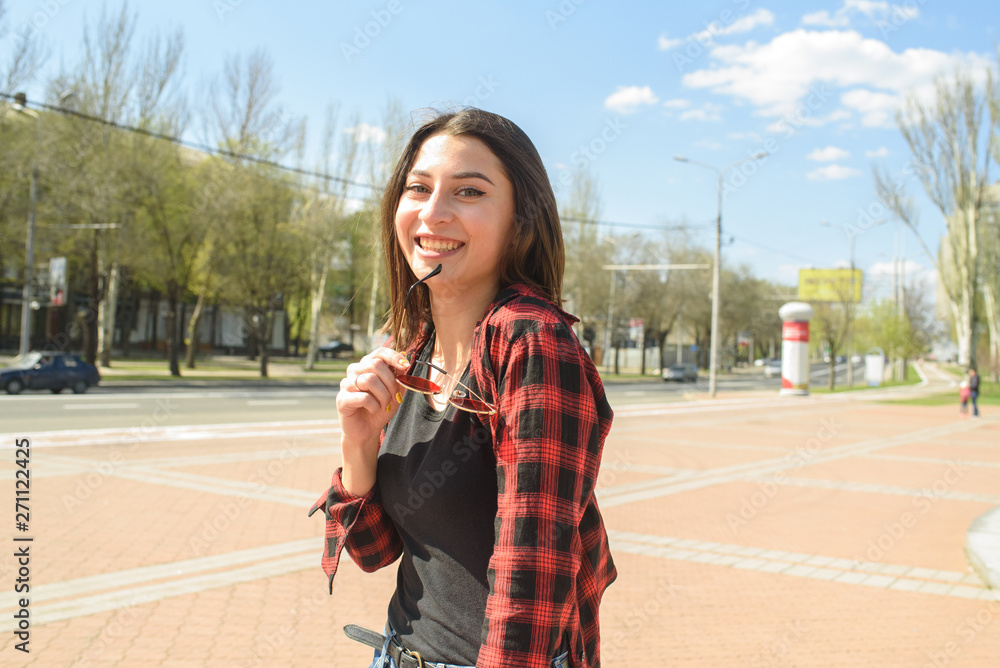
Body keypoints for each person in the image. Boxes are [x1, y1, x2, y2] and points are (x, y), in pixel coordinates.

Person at [309, 108, 617, 668]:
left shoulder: (531, 342)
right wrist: (358, 442)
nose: (433, 213)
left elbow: (532, 578)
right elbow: (375, 552)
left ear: (519, 220)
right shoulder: (415, 351)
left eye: (469, 192)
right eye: (418, 188)